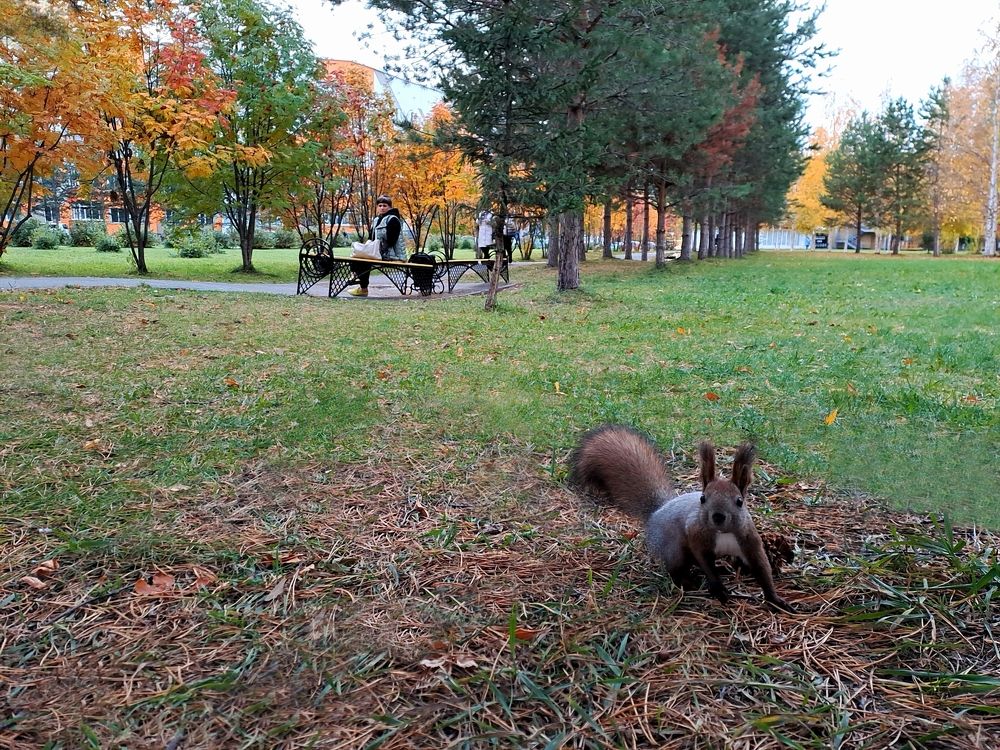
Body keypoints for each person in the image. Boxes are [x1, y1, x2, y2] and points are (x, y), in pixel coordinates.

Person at [350, 195, 406, 297]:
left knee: (363, 259)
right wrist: (368, 248)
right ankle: (360, 283)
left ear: (390, 207)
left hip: (391, 254)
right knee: (357, 256)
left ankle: (362, 287)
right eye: (380, 205)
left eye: (385, 205)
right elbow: (372, 238)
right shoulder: (376, 220)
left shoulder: (393, 219)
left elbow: (391, 241)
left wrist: (376, 251)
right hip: (379, 252)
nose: (382, 208)